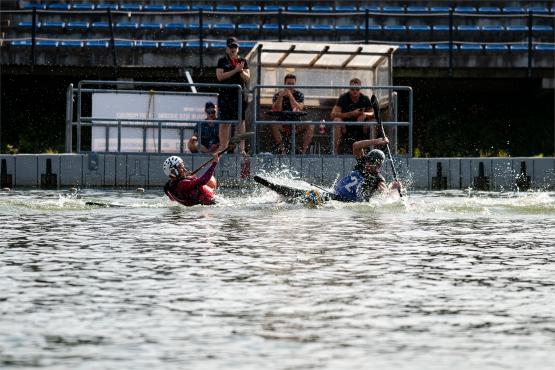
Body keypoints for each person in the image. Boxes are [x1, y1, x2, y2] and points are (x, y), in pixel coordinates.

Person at [333, 136, 402, 201]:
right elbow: (355, 145)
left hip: (346, 201)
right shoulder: (362, 162)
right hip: (335, 193)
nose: (368, 165)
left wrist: (394, 189)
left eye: (372, 163)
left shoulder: (378, 180)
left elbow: (386, 197)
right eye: (368, 160)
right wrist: (377, 141)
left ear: (379, 166)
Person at [216, 37, 250, 155]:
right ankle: (223, 147)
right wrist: (235, 70)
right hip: (226, 95)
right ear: (226, 48)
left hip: (239, 96)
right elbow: (220, 77)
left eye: (235, 47)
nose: (233, 49)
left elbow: (247, 78)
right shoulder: (222, 61)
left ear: (238, 49)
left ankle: (241, 148)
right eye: (231, 47)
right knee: (224, 122)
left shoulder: (243, 61)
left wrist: (240, 71)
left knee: (241, 122)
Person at [270, 74, 314, 154]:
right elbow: (277, 109)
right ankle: (283, 152)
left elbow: (298, 108)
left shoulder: (299, 95)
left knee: (311, 125)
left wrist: (290, 96)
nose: (290, 86)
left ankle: (303, 153)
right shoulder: (278, 95)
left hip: (296, 125)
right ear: (285, 84)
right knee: (274, 124)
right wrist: (280, 97)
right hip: (282, 124)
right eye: (288, 84)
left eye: (292, 84)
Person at [330, 78, 374, 154]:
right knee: (337, 121)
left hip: (361, 127)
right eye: (352, 89)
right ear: (349, 89)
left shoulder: (365, 99)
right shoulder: (343, 98)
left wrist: (365, 115)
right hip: (346, 127)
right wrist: (350, 114)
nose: (355, 91)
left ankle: (372, 152)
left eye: (357, 89)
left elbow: (373, 113)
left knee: (373, 122)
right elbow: (333, 114)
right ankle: (335, 153)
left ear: (360, 89)